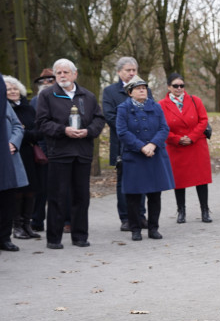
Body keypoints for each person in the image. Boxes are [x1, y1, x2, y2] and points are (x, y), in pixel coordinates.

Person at [35, 59, 105, 248]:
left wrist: (89, 131)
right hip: (60, 152)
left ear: (75, 74)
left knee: (81, 196)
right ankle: (54, 239)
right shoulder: (48, 95)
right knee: (57, 196)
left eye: (66, 72)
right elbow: (41, 122)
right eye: (59, 73)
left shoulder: (87, 96)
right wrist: (63, 130)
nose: (62, 76)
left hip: (82, 152)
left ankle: (80, 236)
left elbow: (99, 119)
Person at [117, 76, 175, 241]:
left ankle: (153, 228)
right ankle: (135, 229)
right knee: (133, 195)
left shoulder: (156, 107)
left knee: (155, 194)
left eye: (144, 87)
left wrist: (153, 145)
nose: (142, 90)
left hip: (154, 155)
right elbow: (122, 132)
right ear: (130, 92)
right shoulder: (123, 108)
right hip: (134, 156)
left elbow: (164, 128)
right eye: (138, 88)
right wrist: (141, 146)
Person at [158, 73, 213, 224]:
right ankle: (181, 211)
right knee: (179, 181)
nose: (179, 88)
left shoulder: (195, 101)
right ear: (169, 87)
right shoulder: (161, 105)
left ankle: (205, 210)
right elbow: (161, 126)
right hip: (176, 147)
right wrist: (177, 139)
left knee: (201, 180)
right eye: (175, 86)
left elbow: (203, 120)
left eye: (182, 85)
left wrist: (192, 137)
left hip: (196, 144)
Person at [102, 56, 141, 231]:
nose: (132, 73)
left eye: (134, 70)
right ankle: (126, 218)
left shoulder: (143, 88)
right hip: (121, 144)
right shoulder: (110, 92)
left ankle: (141, 215)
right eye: (128, 70)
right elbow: (110, 117)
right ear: (119, 72)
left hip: (142, 143)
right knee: (123, 182)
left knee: (142, 180)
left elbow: (152, 110)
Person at [6, 76, 42, 240]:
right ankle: (17, 226)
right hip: (12, 153)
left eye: (15, 88)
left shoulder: (28, 108)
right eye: (9, 89)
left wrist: (24, 132)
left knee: (31, 189)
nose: (13, 92)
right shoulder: (6, 109)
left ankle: (27, 224)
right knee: (18, 190)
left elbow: (39, 133)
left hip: (29, 154)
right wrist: (24, 132)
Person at [0, 79, 28, 252]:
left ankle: (4, 238)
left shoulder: (5, 105)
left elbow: (18, 126)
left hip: (9, 157)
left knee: (8, 199)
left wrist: (13, 143)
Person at [29, 69, 56, 233]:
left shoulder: (62, 99)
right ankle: (37, 220)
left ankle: (64, 220)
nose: (46, 83)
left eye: (50, 80)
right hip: (41, 147)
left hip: (60, 147)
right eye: (43, 81)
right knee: (40, 188)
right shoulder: (34, 101)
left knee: (61, 188)